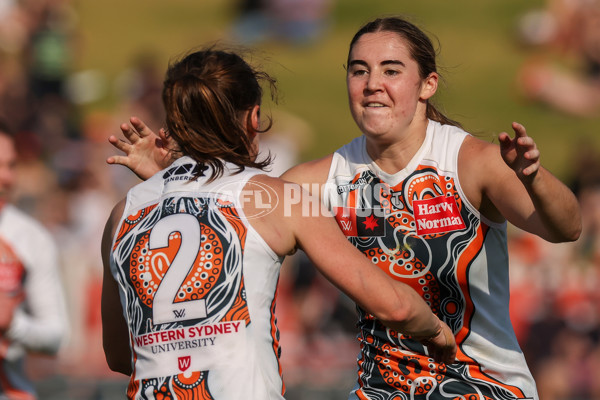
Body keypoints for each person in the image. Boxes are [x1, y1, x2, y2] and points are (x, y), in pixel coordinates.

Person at [107, 17, 582, 400]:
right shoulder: (321, 180)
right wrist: (169, 175)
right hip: (380, 391)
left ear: (428, 84)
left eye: (391, 70)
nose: (373, 84)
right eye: (359, 70)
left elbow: (567, 227)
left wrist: (534, 178)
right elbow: (233, 205)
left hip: (481, 384)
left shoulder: (470, 162)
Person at [101, 47, 456, 400]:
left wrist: (162, 182)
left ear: (174, 122)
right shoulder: (274, 199)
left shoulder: (123, 213)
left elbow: (120, 355)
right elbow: (393, 305)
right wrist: (436, 331)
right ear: (252, 118)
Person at [0, 123, 68, 399]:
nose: (6, 177)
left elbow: (56, 335)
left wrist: (12, 324)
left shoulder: (30, 237)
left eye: (11, 165)